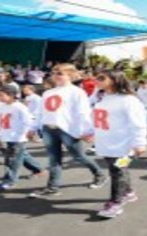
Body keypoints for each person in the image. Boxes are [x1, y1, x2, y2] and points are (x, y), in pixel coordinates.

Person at [28, 63, 107, 198]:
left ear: (70, 75)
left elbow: (83, 112)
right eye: (54, 73)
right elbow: (40, 112)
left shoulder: (76, 92)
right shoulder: (47, 92)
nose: (55, 76)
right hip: (49, 129)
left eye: (60, 73)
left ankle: (99, 174)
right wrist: (33, 127)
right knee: (53, 160)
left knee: (79, 156)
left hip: (68, 130)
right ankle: (53, 187)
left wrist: (88, 130)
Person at [93, 71, 147, 218]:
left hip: (124, 145)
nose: (96, 80)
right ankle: (128, 192)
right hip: (107, 142)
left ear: (115, 80)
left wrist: (140, 143)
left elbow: (138, 123)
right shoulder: (102, 98)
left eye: (101, 77)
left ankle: (116, 202)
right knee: (116, 169)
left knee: (118, 170)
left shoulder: (129, 100)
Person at [0, 85, 45, 191]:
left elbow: (29, 121)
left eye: (1, 95)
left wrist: (28, 133)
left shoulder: (19, 107)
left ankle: (10, 181)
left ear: (12, 95)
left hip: (17, 138)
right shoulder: (2, 106)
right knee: (22, 155)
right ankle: (38, 169)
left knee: (12, 160)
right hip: (7, 136)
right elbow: (2, 119)